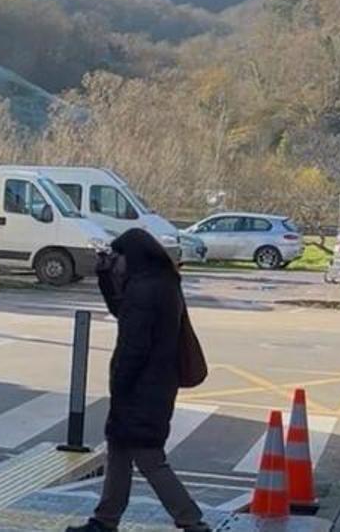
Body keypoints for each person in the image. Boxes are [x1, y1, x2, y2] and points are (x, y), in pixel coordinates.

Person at [67, 228, 210, 532]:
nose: (116, 264)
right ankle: (105, 520)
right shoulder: (161, 283)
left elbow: (134, 343)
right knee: (118, 451)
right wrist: (107, 280)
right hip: (156, 383)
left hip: (143, 387)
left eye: (117, 259)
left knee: (148, 457)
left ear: (132, 257)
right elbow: (123, 312)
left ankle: (191, 521)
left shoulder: (145, 291)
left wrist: (121, 385)